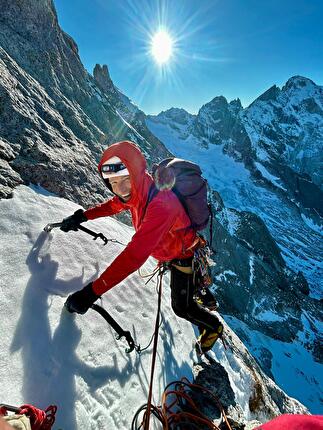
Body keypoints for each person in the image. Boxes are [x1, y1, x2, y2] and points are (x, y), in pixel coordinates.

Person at [61, 140, 223, 354]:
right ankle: (200, 290)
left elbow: (134, 256)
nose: (119, 189)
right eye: (113, 183)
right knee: (187, 289)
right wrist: (83, 216)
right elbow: (114, 205)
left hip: (183, 255)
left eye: (124, 180)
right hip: (175, 250)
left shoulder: (162, 204)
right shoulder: (137, 189)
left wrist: (91, 292)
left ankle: (213, 327)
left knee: (181, 307)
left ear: (136, 173)